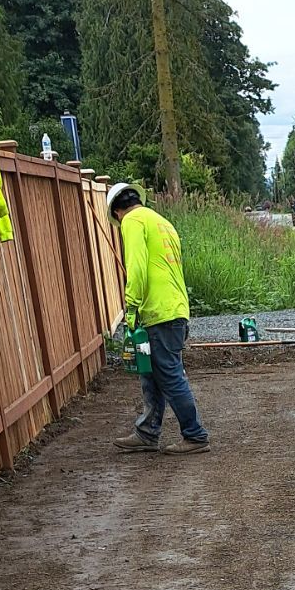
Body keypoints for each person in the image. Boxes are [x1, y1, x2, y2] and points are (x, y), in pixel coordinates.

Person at [106, 182, 210, 455]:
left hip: (159, 312)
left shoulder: (132, 222)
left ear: (117, 212)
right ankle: (147, 432)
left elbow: (137, 268)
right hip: (175, 308)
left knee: (170, 374)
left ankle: (195, 435)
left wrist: (131, 306)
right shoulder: (161, 221)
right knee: (151, 373)